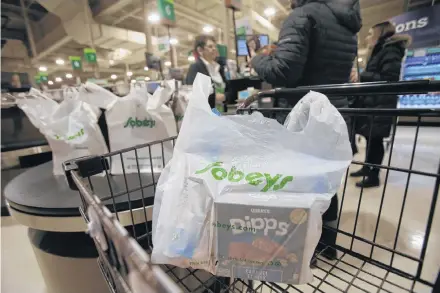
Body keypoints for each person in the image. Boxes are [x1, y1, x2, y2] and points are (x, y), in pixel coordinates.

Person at [249, 0, 362, 261]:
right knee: (326, 183)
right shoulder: (347, 22)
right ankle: (328, 245)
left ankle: (304, 250)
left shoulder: (303, 15)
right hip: (335, 113)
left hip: (304, 115)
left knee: (299, 184)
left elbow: (283, 70)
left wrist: (257, 59)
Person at [350, 21, 411, 188]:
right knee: (370, 138)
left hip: (381, 103)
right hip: (374, 102)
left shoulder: (390, 50)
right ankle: (367, 168)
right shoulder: (380, 51)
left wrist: (363, 76)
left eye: (371, 34)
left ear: (380, 33)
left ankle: (373, 176)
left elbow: (389, 79)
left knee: (375, 141)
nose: (368, 37)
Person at [185, 35, 226, 109]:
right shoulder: (195, 68)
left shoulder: (219, 68)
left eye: (215, 46)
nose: (214, 49)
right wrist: (214, 98)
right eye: (210, 47)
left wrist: (225, 96)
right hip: (205, 115)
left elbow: (227, 89)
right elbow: (193, 94)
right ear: (200, 50)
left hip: (222, 113)